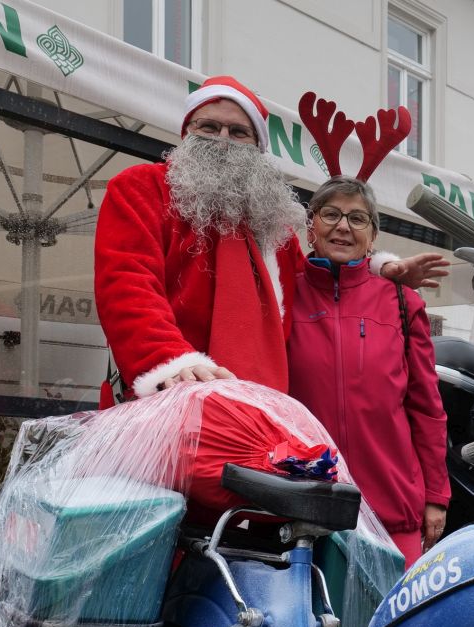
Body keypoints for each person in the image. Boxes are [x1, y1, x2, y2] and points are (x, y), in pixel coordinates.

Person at [93, 76, 445, 399]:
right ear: (187, 133)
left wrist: (378, 271)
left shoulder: (272, 223)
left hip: (257, 407)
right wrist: (169, 360)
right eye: (209, 127)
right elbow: (127, 282)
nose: (223, 140)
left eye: (238, 132)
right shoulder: (143, 188)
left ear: (258, 147)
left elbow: (313, 284)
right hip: (169, 396)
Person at [288, 176, 448, 563]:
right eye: (331, 214)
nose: (343, 226)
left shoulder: (403, 302)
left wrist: (435, 497)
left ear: (372, 236)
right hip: (302, 506)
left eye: (358, 219)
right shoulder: (283, 294)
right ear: (311, 227)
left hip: (392, 507)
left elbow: (426, 407)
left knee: (396, 622)